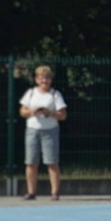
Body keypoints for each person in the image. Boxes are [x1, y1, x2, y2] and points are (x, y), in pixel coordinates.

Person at [19, 65, 68, 201]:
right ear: (36, 80)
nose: (44, 81)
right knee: (31, 162)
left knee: (52, 162)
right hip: (32, 130)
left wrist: (50, 113)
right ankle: (31, 192)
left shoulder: (55, 95)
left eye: (47, 78)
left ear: (51, 80)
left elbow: (63, 115)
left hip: (50, 131)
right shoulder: (31, 93)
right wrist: (31, 112)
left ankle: (55, 192)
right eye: (41, 78)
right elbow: (22, 111)